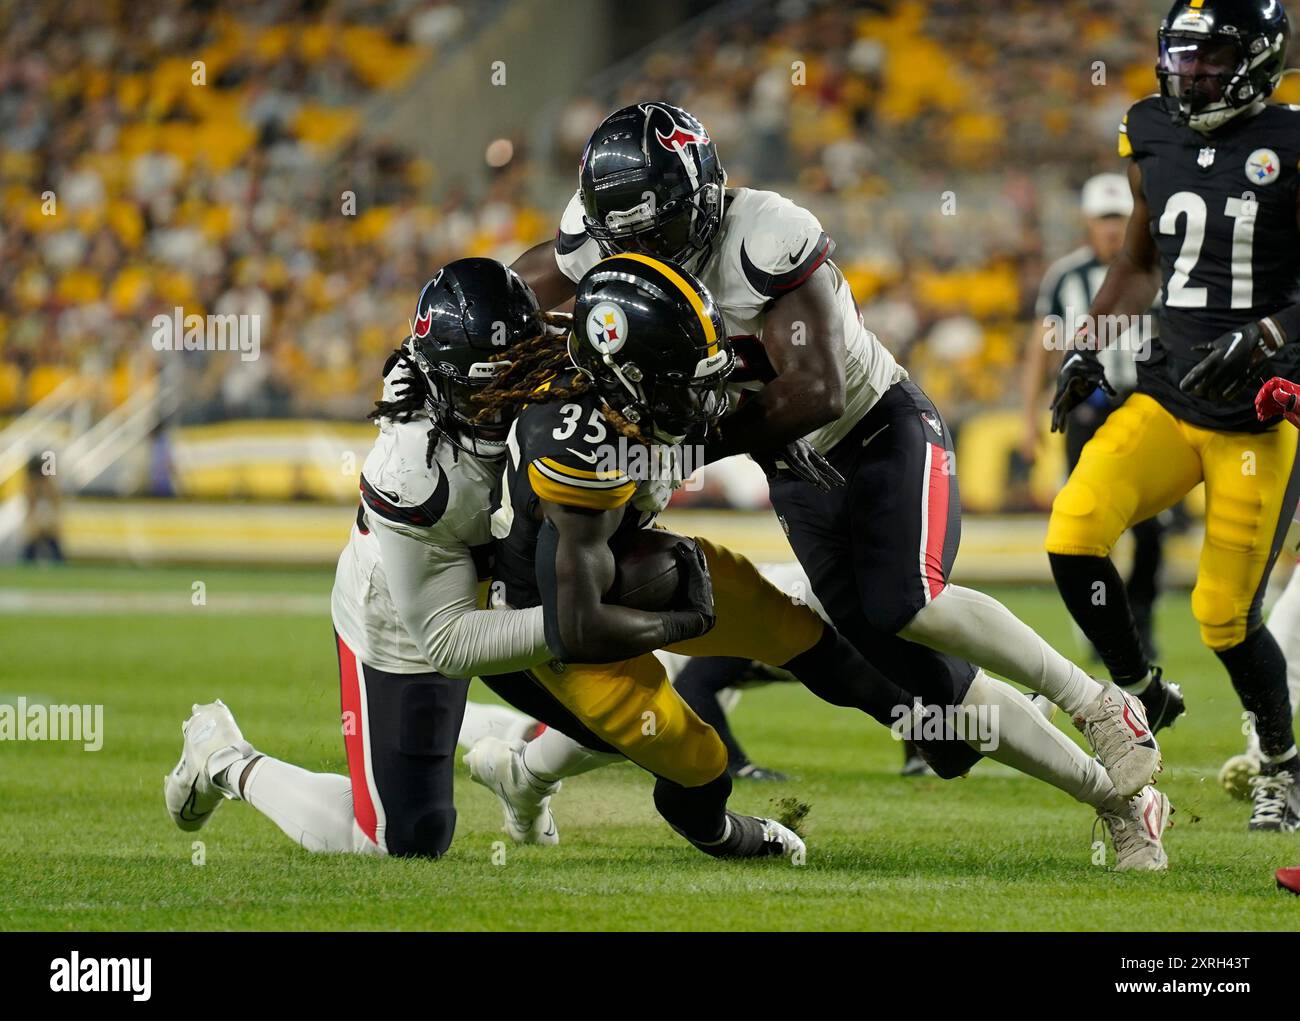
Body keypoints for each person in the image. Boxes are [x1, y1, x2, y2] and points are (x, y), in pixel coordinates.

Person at [509, 100, 1164, 806]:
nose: (648, 258)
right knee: (937, 703)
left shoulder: (764, 236)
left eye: (661, 232)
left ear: (699, 199)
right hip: (794, 467)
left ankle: (1096, 700)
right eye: (628, 244)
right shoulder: (598, 244)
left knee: (911, 602)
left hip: (875, 426)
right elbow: (513, 299)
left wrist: (678, 449)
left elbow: (815, 392)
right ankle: (1121, 803)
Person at [1045, 0, 1300, 831]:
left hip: (1259, 414)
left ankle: (1281, 763)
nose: (1190, 73)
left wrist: (1269, 333)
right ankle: (1143, 690)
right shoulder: (1149, 126)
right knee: (1072, 531)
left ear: (1259, 59)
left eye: (1212, 57)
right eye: (1181, 56)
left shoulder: (1293, 141)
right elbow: (1140, 254)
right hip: (1167, 392)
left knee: (1223, 614)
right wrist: (1091, 339)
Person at [1020, 173, 1168, 660]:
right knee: (1084, 520)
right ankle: (1100, 621)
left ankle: (1141, 620)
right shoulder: (1066, 276)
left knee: (1151, 523)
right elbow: (1042, 348)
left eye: (1120, 218)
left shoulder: (1159, 270)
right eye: (1104, 219)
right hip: (1086, 411)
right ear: (1088, 222)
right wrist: (1028, 415)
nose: (1112, 228)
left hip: (1144, 407)